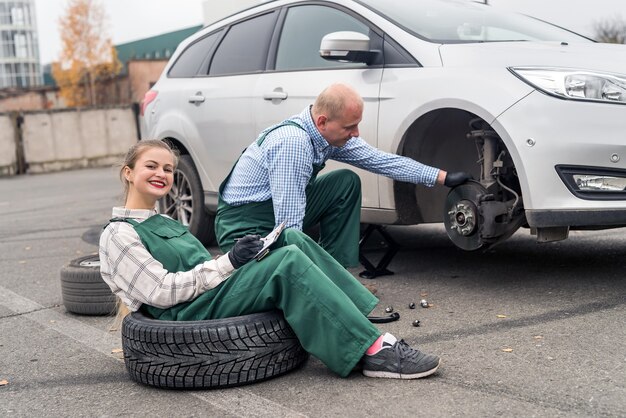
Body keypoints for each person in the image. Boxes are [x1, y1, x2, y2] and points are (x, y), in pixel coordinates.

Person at [99, 139, 441, 380]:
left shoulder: (166, 221)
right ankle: (371, 352)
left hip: (206, 294)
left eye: (169, 168)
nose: (162, 173)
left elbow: (199, 267)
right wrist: (230, 261)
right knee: (286, 263)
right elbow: (161, 292)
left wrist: (245, 255)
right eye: (151, 166)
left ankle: (355, 314)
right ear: (128, 173)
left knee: (288, 238)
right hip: (184, 312)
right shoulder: (118, 234)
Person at [216, 83, 471, 268]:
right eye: (350, 127)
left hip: (271, 215)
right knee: (291, 262)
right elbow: (289, 222)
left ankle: (339, 272)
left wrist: (442, 177)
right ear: (323, 121)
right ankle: (327, 282)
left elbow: (381, 161)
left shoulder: (325, 135)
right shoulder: (293, 143)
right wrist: (304, 276)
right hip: (245, 229)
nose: (356, 133)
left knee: (344, 183)